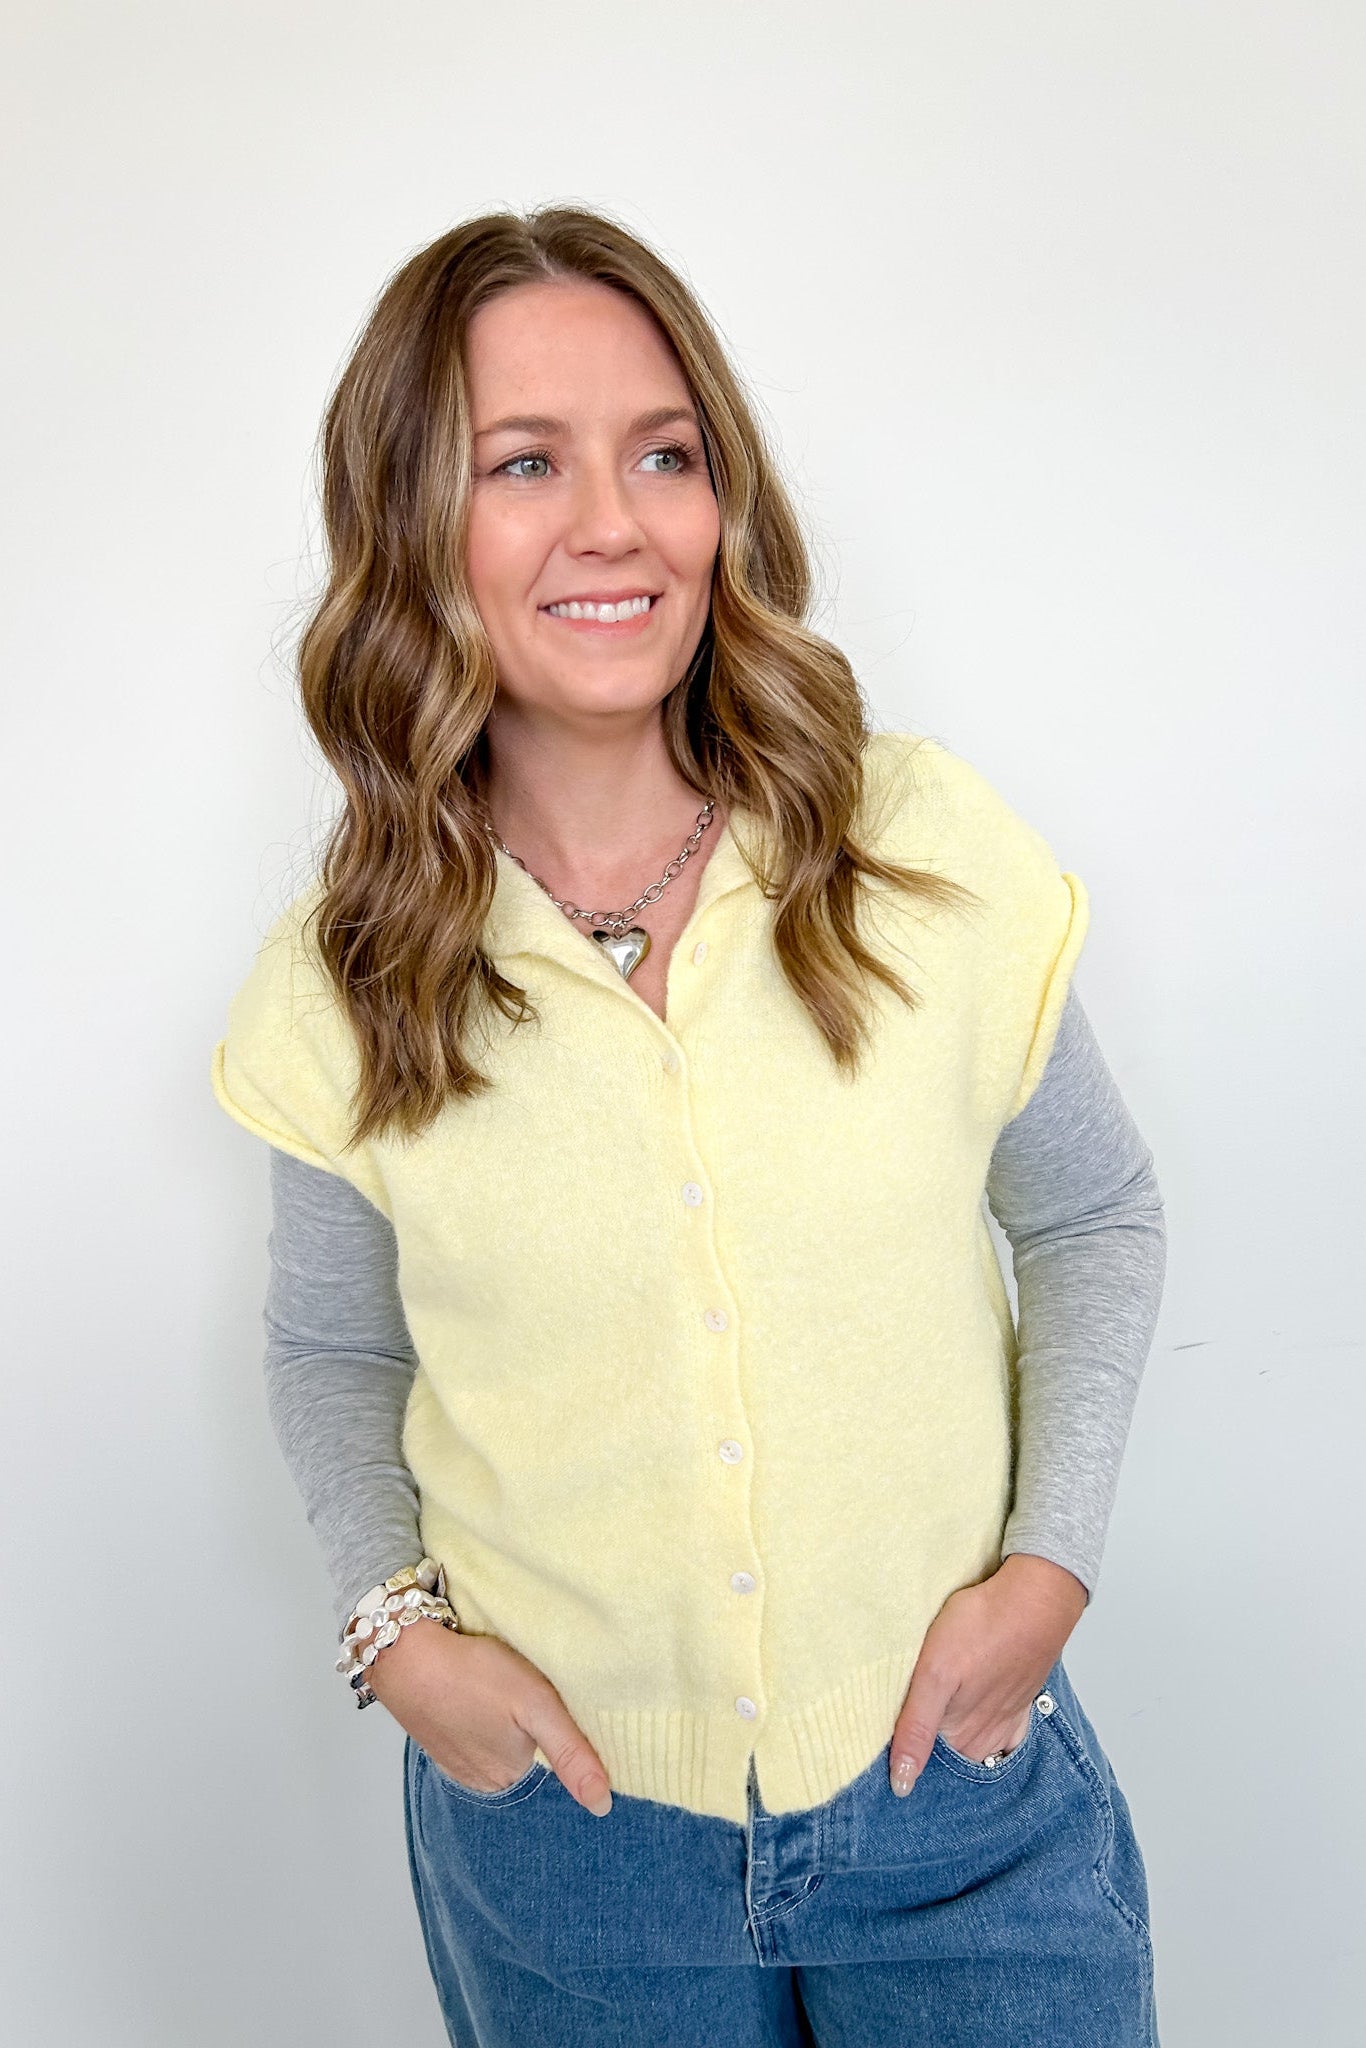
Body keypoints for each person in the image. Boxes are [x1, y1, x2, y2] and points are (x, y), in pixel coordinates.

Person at [210, 205, 1167, 2047]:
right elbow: (333, 1341)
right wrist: (391, 1637)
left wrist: (1047, 1566)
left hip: (956, 1798)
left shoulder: (913, 851)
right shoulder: (344, 981)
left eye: (663, 453)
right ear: (412, 526)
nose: (613, 523)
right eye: (522, 464)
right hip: (569, 1859)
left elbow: (1091, 1214)